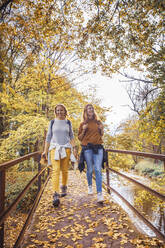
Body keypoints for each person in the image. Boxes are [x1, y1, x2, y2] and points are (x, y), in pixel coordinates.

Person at [42, 104, 78, 207]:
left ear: (65, 111)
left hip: (66, 148)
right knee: (56, 170)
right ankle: (56, 194)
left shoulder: (68, 122)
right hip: (54, 148)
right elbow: (48, 137)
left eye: (61, 110)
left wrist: (74, 148)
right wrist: (45, 151)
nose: (59, 112)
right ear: (55, 111)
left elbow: (71, 136)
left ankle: (64, 186)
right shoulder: (52, 122)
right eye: (57, 110)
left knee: (65, 170)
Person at [78, 104, 104, 203]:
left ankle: (100, 194)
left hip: (98, 147)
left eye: (92, 108)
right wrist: (84, 129)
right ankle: (89, 186)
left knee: (97, 169)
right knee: (89, 169)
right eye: (89, 108)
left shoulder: (98, 122)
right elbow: (79, 138)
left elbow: (101, 134)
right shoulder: (82, 124)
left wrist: (101, 129)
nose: (91, 109)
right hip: (87, 148)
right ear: (85, 111)